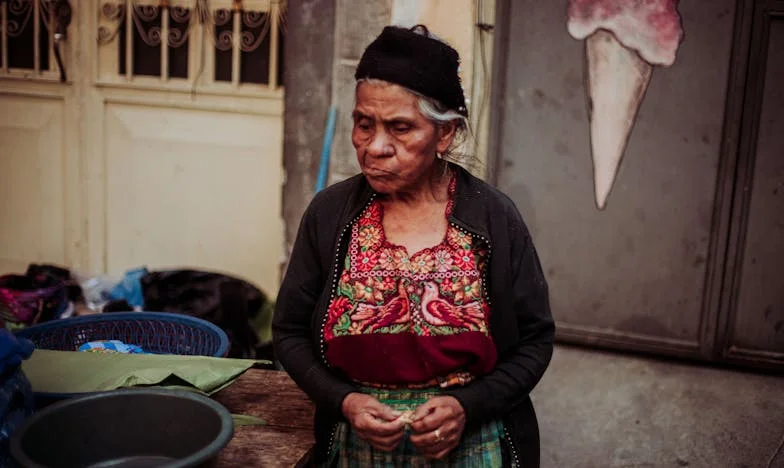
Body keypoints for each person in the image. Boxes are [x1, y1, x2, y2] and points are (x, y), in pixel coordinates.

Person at [273, 24, 554, 467]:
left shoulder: (494, 218)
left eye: (400, 128)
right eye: (364, 125)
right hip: (356, 443)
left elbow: (535, 340)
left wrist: (468, 405)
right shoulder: (329, 215)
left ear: (444, 135)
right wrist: (344, 401)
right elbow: (288, 332)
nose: (375, 147)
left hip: (469, 442)